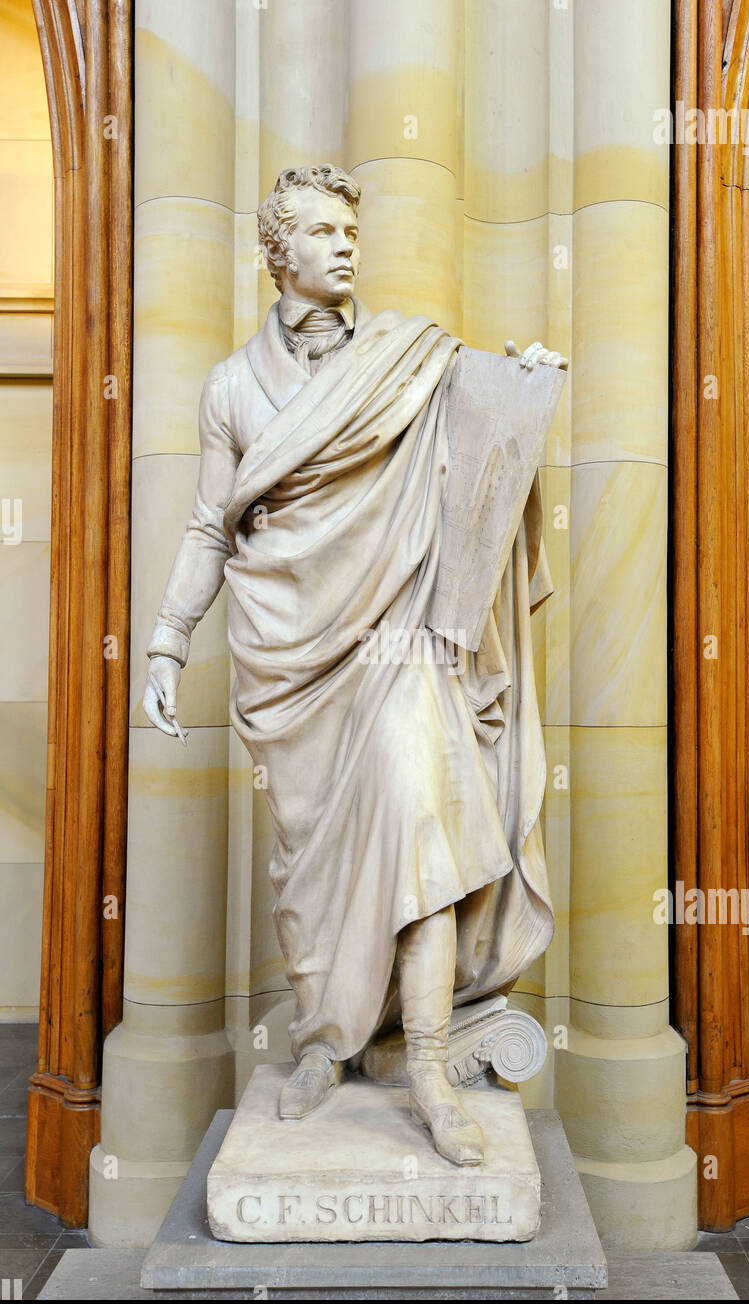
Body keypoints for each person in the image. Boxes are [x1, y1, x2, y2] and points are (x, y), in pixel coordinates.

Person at [143, 164, 566, 1167]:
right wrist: (166, 638)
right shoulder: (232, 386)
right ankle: (327, 1043)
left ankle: (423, 1063)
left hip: (397, 644)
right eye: (323, 232)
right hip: (287, 658)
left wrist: (520, 385)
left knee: (425, 823)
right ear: (274, 253)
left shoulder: (409, 357)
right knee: (312, 869)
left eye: (350, 231)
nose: (345, 246)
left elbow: (482, 425)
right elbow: (211, 523)